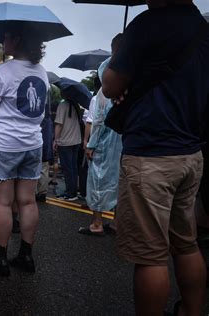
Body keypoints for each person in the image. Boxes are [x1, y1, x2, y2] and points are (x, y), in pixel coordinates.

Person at [102, 1, 209, 314]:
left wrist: (123, 72)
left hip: (151, 154)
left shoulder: (147, 24)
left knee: (150, 256)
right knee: (186, 244)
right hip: (191, 153)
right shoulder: (204, 30)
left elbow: (110, 85)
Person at [0, 30, 49, 276]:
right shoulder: (41, 72)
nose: (3, 41)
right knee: (27, 201)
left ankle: (1, 260)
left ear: (17, 39)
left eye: (6, 36)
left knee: (3, 202)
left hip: (5, 144)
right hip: (32, 143)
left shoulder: (3, 71)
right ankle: (26, 256)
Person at [79, 52, 122, 237]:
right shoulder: (127, 91)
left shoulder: (103, 95)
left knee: (97, 181)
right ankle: (116, 223)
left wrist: (90, 144)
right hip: (121, 145)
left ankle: (97, 223)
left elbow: (97, 122)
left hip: (104, 145)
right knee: (119, 182)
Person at [54, 91, 83, 201]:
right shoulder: (76, 106)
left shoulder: (63, 105)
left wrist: (55, 140)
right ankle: (74, 191)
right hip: (76, 140)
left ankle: (70, 193)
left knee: (67, 169)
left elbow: (59, 124)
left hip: (65, 141)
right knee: (73, 168)